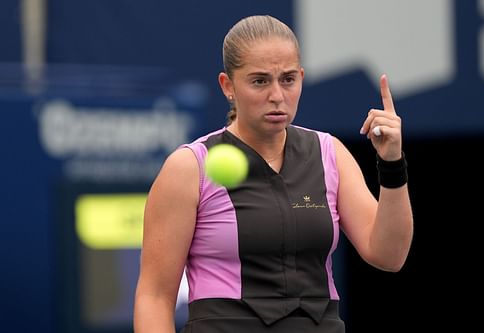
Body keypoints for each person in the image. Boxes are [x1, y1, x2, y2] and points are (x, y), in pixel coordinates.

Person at [133, 14, 413, 333]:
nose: (277, 96)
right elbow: (154, 297)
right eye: (260, 81)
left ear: (302, 78)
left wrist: (392, 163)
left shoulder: (329, 153)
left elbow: (389, 255)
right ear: (228, 86)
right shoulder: (188, 167)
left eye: (288, 79)